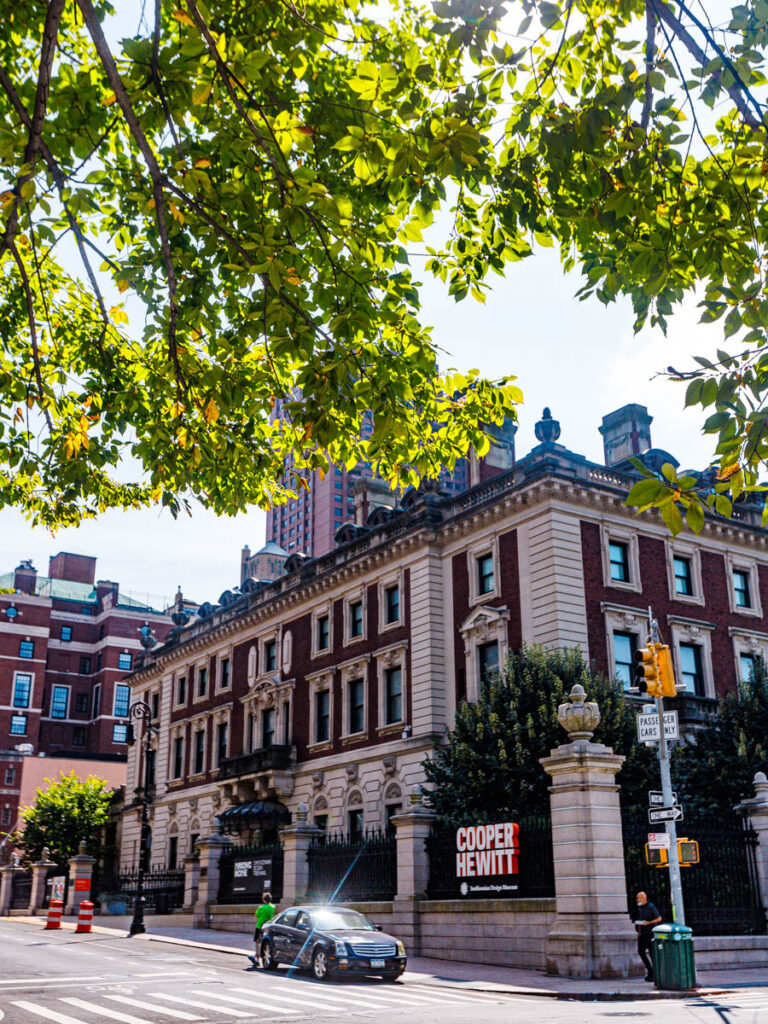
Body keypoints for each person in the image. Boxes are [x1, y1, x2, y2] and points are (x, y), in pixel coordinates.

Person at [635, 891, 662, 981]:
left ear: (643, 898)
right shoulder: (640, 908)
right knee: (641, 952)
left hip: (650, 933)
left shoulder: (650, 907)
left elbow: (659, 918)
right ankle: (650, 971)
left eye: (638, 898)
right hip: (642, 934)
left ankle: (654, 973)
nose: (637, 900)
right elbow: (640, 920)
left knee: (651, 953)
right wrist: (639, 932)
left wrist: (649, 922)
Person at [248, 891, 276, 967]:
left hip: (259, 926)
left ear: (264, 900)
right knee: (264, 943)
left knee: (257, 943)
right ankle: (255, 957)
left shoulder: (261, 908)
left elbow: (256, 915)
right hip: (267, 926)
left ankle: (257, 961)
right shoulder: (272, 907)